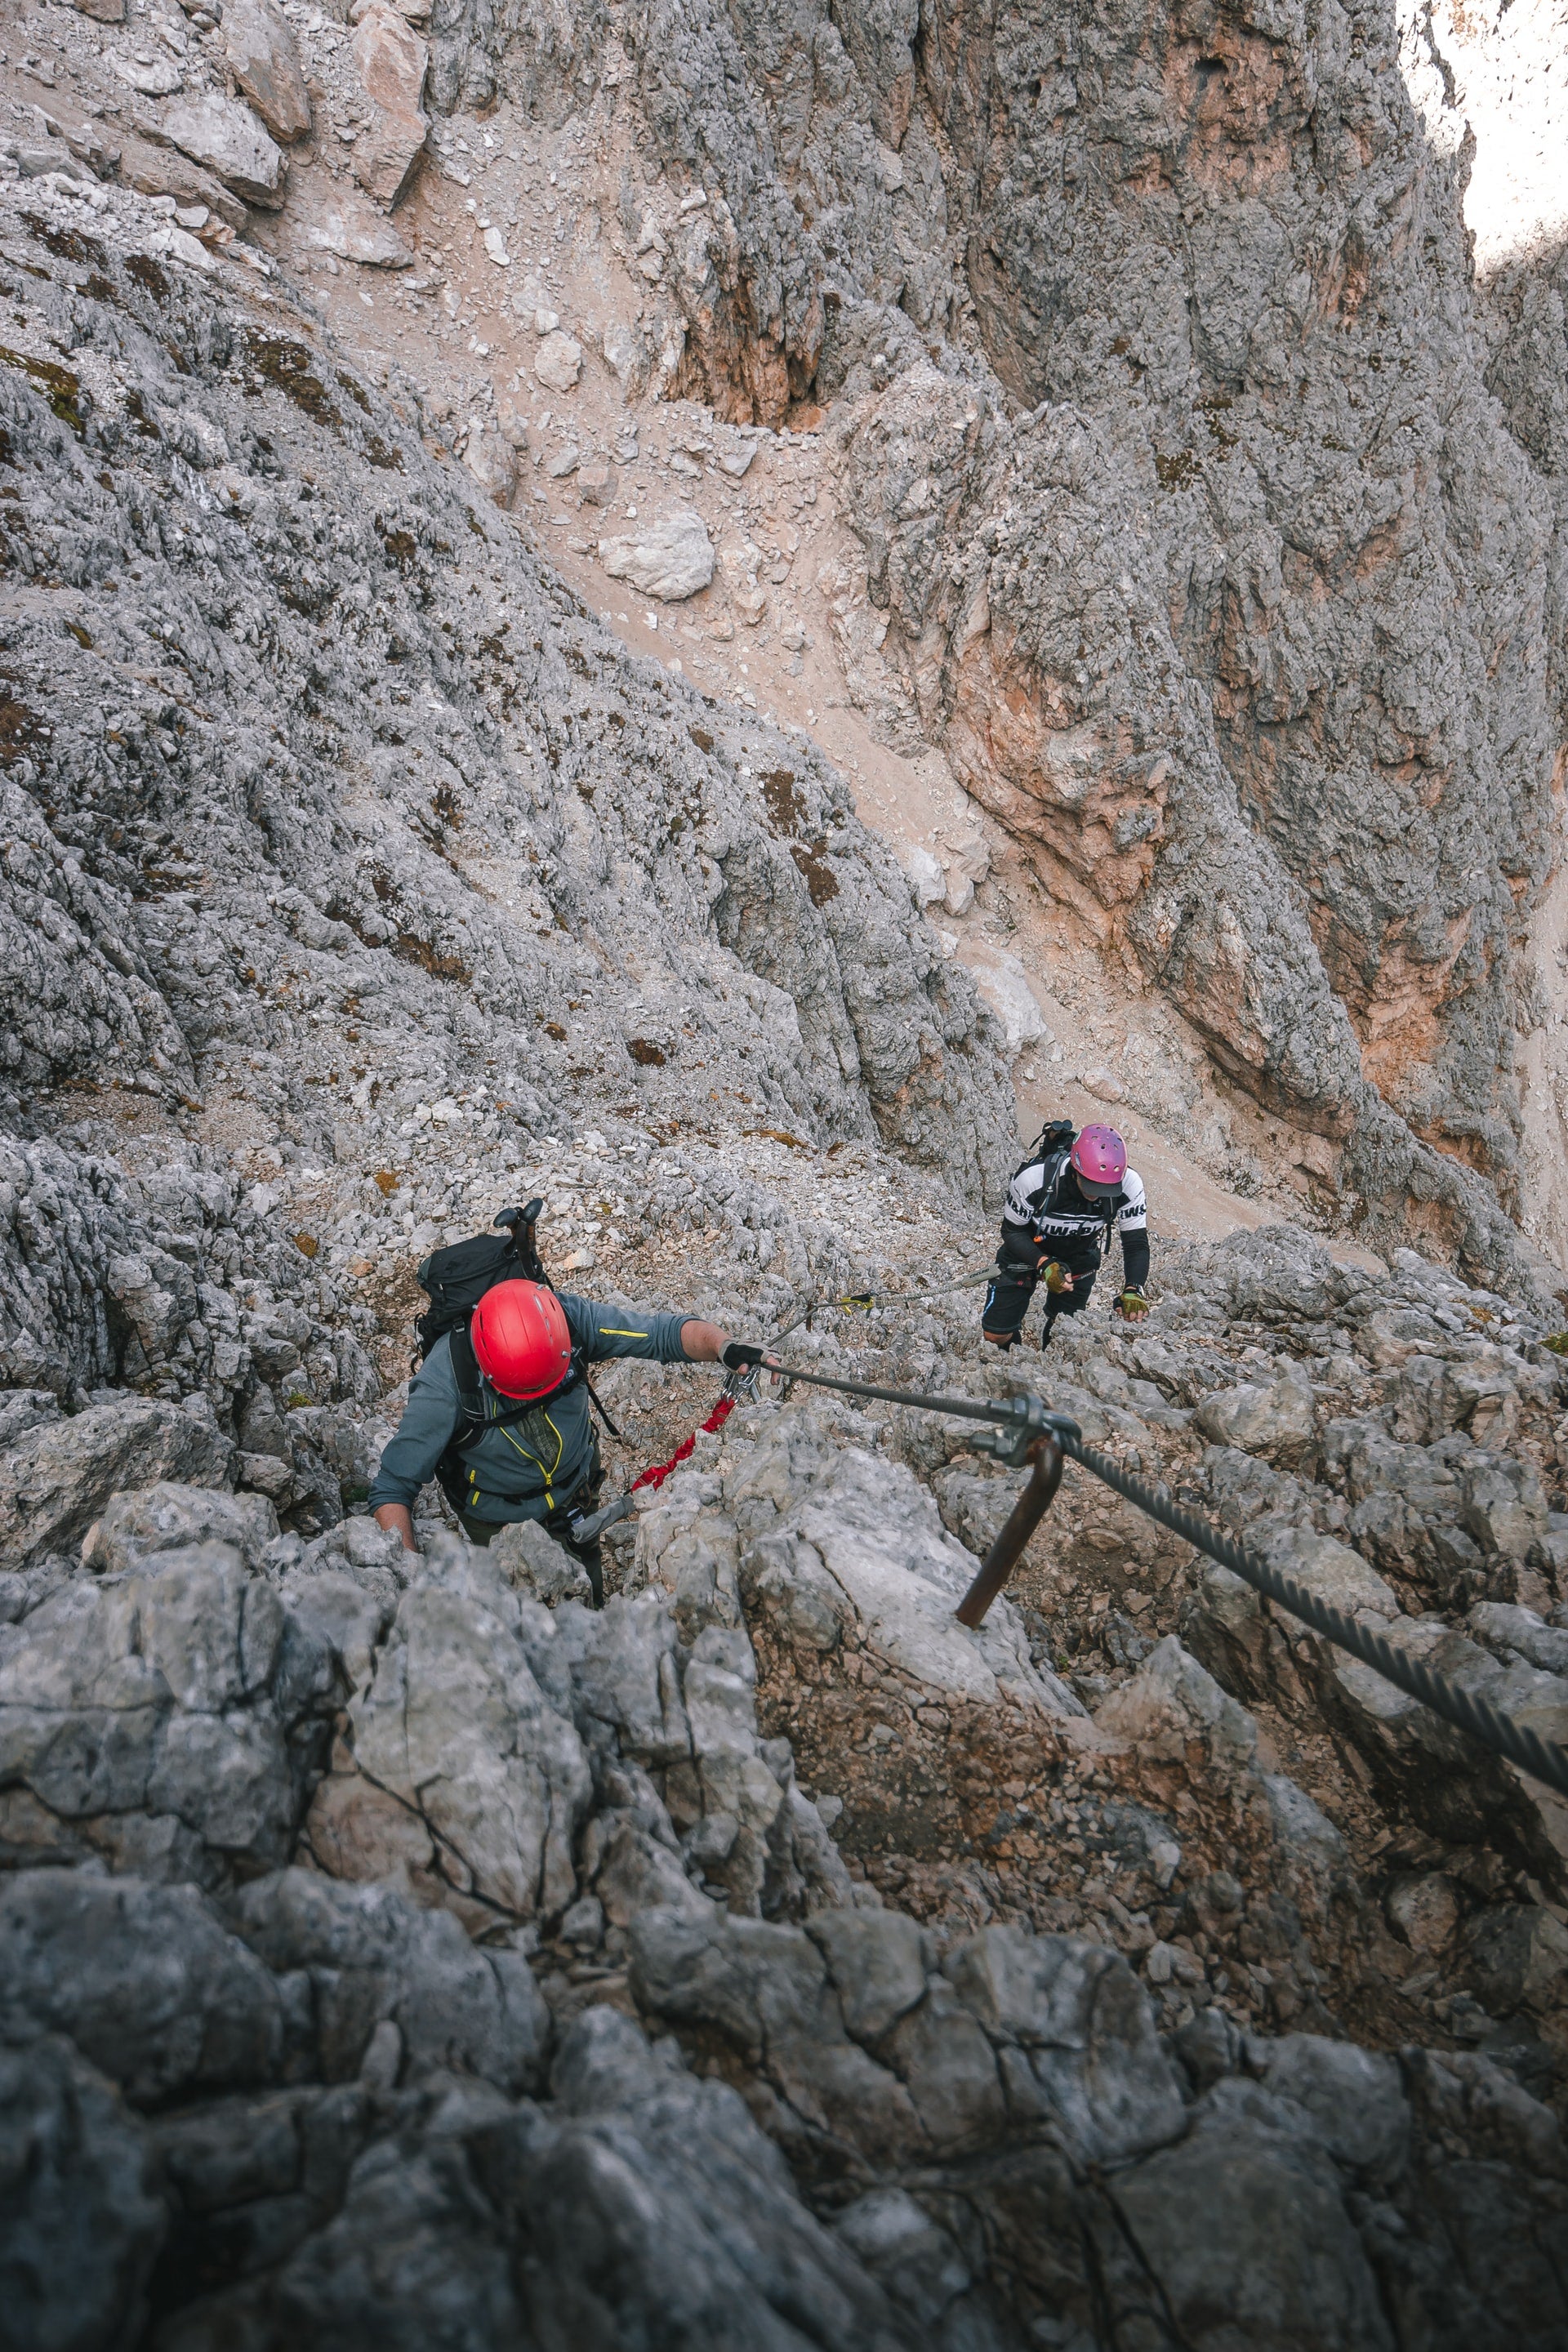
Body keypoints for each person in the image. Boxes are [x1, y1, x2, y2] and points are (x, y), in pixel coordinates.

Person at [369, 1278, 762, 1602]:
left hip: (577, 1494)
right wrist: (413, 1589)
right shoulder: (445, 1385)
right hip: (501, 1525)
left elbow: (661, 1334)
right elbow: (392, 1488)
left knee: (587, 1590)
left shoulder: (567, 1320)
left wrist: (722, 1346)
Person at [982, 1121, 1152, 1352]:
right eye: (1090, 1186)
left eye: (1104, 1190)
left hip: (1078, 1255)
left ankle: (1048, 1364)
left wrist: (1133, 1288)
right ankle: (1013, 1356)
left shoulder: (1129, 1185)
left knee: (1064, 1330)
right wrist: (1043, 1264)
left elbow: (1136, 1244)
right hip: (1026, 1250)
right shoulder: (1033, 1180)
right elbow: (1012, 1231)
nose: (1095, 1195)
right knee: (994, 1335)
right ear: (1075, 1168)